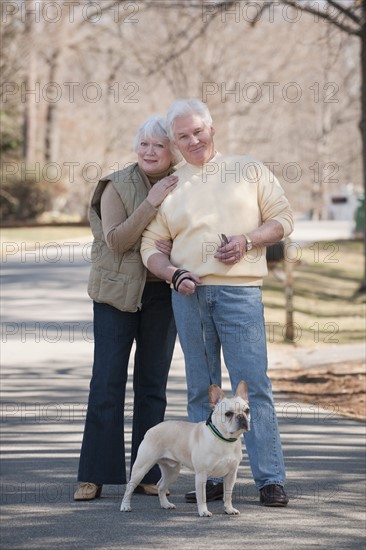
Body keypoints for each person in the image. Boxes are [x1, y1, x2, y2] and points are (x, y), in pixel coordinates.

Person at [140, 99, 294, 507]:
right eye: (182, 136)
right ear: (174, 142)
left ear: (212, 129)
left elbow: (283, 219)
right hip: (189, 296)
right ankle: (206, 480)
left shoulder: (249, 169)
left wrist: (248, 240)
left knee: (253, 387)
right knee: (200, 389)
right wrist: (173, 273)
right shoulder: (171, 185)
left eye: (198, 131)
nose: (193, 141)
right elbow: (149, 248)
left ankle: (270, 480)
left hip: (240, 292)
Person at [74, 115, 178, 501]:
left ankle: (150, 473)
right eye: (144, 144)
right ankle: (93, 475)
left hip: (161, 295)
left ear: (173, 152)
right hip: (116, 295)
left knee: (153, 387)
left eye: (159, 146)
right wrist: (152, 203)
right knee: (106, 382)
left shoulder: (185, 183)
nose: (149, 152)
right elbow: (117, 240)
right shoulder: (115, 185)